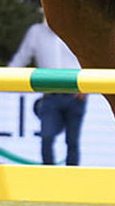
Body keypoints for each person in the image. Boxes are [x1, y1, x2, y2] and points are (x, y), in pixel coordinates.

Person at [7, 18, 86, 166]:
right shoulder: (36, 32)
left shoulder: (76, 27)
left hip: (75, 94)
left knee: (72, 141)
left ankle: (73, 180)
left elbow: (88, 56)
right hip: (51, 96)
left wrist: (86, 86)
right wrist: (2, 78)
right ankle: (49, 175)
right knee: (47, 137)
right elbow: (21, 57)